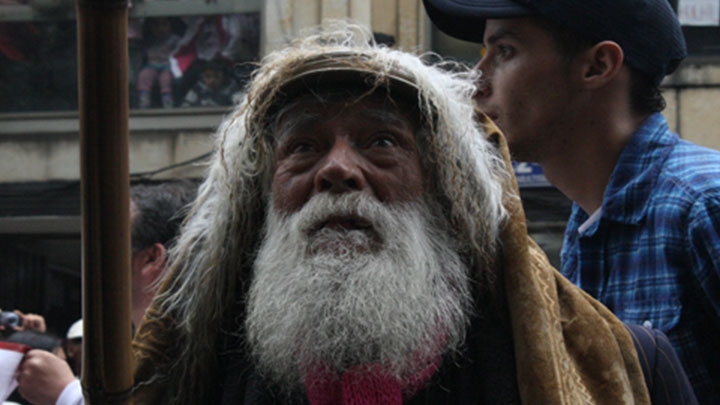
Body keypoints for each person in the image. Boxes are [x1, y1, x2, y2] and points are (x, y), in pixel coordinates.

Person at [131, 23, 694, 404]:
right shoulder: (194, 385)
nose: (338, 170)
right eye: (303, 147)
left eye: (381, 142)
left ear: (445, 193)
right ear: (263, 196)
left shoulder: (620, 368)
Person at [422, 0, 720, 401]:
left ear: (596, 67)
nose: (476, 80)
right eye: (483, 54)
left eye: (505, 51)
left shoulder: (704, 203)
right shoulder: (585, 226)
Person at [14, 181, 197, 405]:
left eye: (108, 245)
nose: (94, 260)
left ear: (151, 259)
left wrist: (67, 395)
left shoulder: (193, 352)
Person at [136, 17, 181, 109]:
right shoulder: (149, 39)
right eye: (157, 26)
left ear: (170, 26)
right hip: (151, 65)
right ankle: (144, 100)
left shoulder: (174, 39)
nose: (160, 28)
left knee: (166, 80)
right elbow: (143, 51)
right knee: (144, 76)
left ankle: (167, 102)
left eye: (164, 25)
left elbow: (179, 51)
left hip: (167, 66)